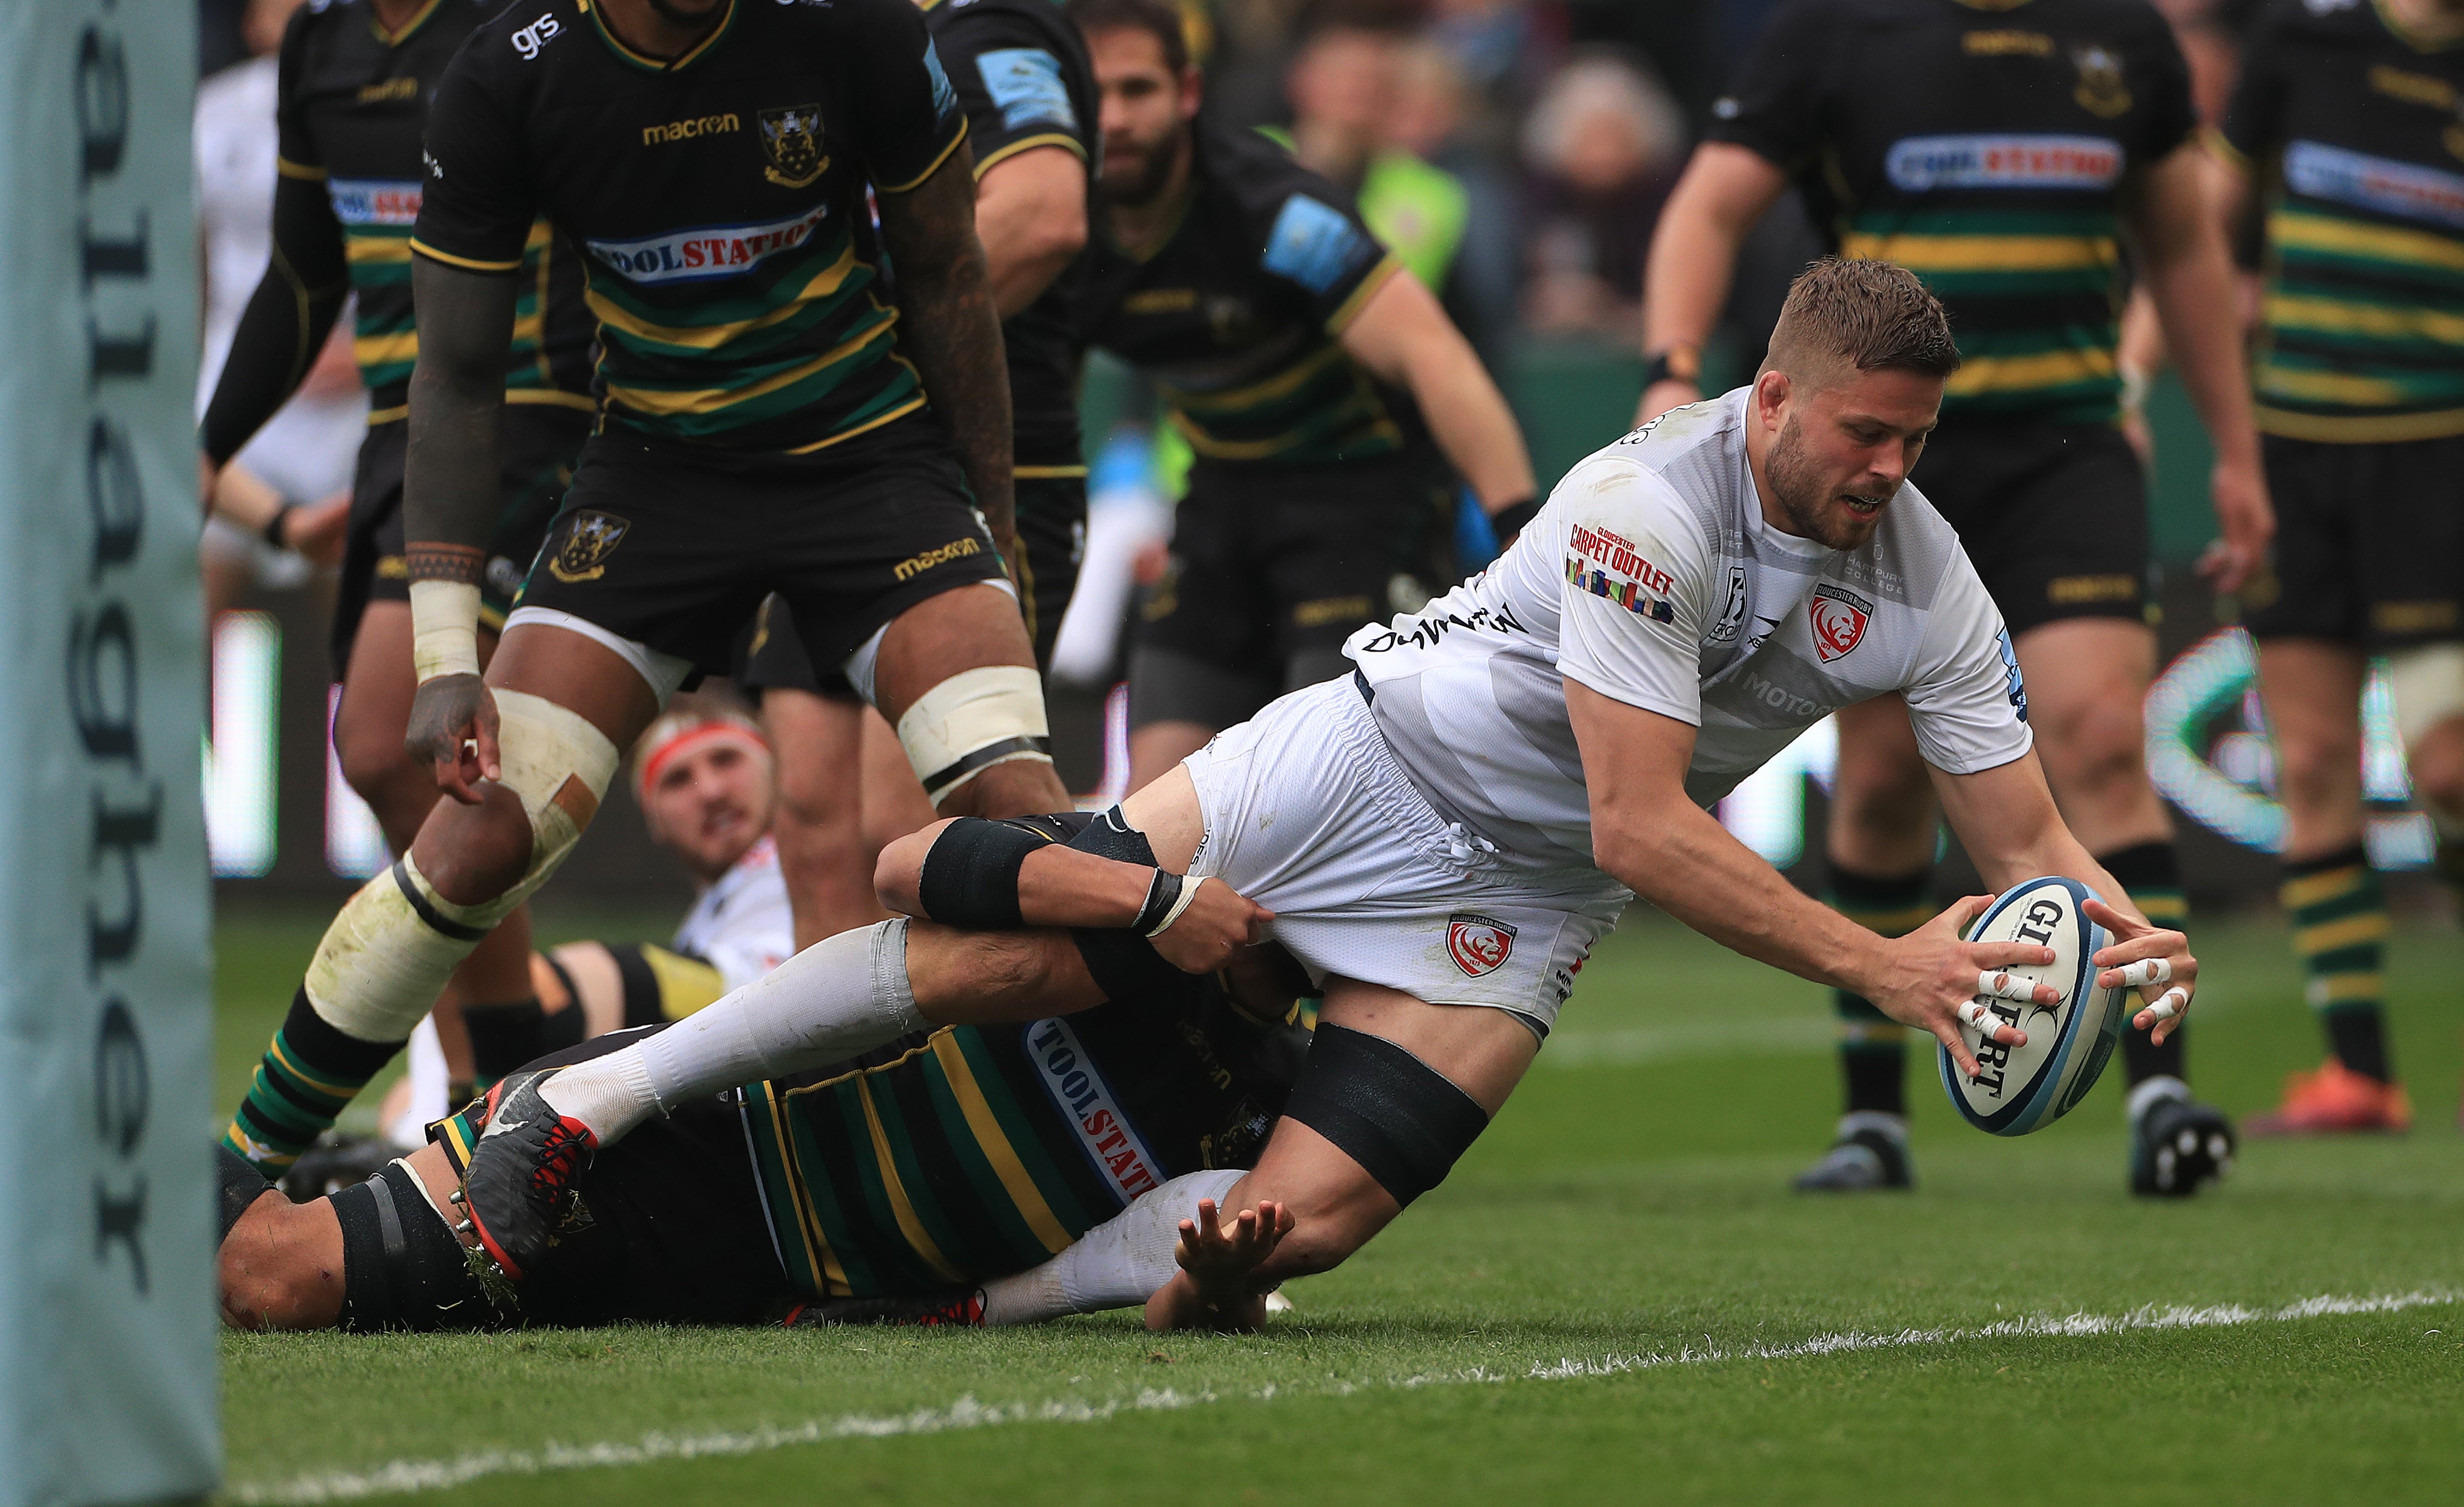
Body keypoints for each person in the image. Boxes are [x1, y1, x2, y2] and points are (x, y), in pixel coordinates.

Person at [457, 260, 2204, 1324]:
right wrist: (1891, 966)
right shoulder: (1642, 505)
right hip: (1371, 758)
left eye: (1918, 441)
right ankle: (594, 1100)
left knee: (1303, 1228)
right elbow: (1644, 825)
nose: (1892, 473)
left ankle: (969, 1296)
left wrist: (2121, 942)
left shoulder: (1929, 568)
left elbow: (2029, 839)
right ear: (1770, 398)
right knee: (1031, 952)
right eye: (1865, 437)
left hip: (1525, 897)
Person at [218, 0, 1077, 1182]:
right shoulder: (508, 76)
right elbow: (460, 377)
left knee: (1016, 805)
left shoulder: (853, 27)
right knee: (478, 835)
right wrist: (442, 655)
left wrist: (993, 525)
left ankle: (1118, 1141)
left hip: (871, 468)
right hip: (657, 487)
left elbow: (947, 275)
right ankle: (242, 1160)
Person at [1638, 0, 2267, 1194]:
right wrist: (1670, 368)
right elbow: (1709, 206)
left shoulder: (2122, 36)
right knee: (1879, 773)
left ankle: (2159, 1089)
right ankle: (1873, 1114)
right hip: (1889, 459)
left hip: (2069, 452)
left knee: (2096, 735)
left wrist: (2231, 449)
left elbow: (2184, 248)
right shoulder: (1837, 32)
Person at [214, 812, 1308, 1334]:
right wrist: (1152, 900)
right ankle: (128, 1156)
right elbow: (905, 866)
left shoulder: (1305, 1100)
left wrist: (976, 1307)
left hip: (777, 1292)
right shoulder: (1125, 903)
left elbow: (1167, 1293)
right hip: (694, 1141)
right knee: (270, 1278)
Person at [208, 0, 602, 1167]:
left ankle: (485, 1089)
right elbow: (298, 273)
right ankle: (496, 1093)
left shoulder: (522, 34)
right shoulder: (322, 49)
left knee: (392, 738)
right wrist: (211, 443)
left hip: (524, 418)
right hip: (401, 434)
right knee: (404, 762)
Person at [1064, 0, 1543, 791]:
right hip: (1219, 499)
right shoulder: (1061, 223)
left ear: (1186, 94)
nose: (1115, 118)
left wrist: (1521, 542)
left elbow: (1439, 358)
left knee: (1316, 788)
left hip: (1361, 500)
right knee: (1154, 803)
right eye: (1094, 92)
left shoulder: (1279, 213)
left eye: (1138, 91)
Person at [739, 0, 1105, 952]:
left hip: (963, 465)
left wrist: (832, 350)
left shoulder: (987, 28)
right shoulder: (802, 37)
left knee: (928, 838)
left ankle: (1101, 1074)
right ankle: (838, 1099)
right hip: (819, 463)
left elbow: (1042, 214)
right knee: (814, 824)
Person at [2206, 0, 2464, 1134]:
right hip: (2295, 455)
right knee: (2311, 762)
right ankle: (2359, 1071)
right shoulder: (2300, 44)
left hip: (2436, 461)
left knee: (2450, 768)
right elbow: (2212, 224)